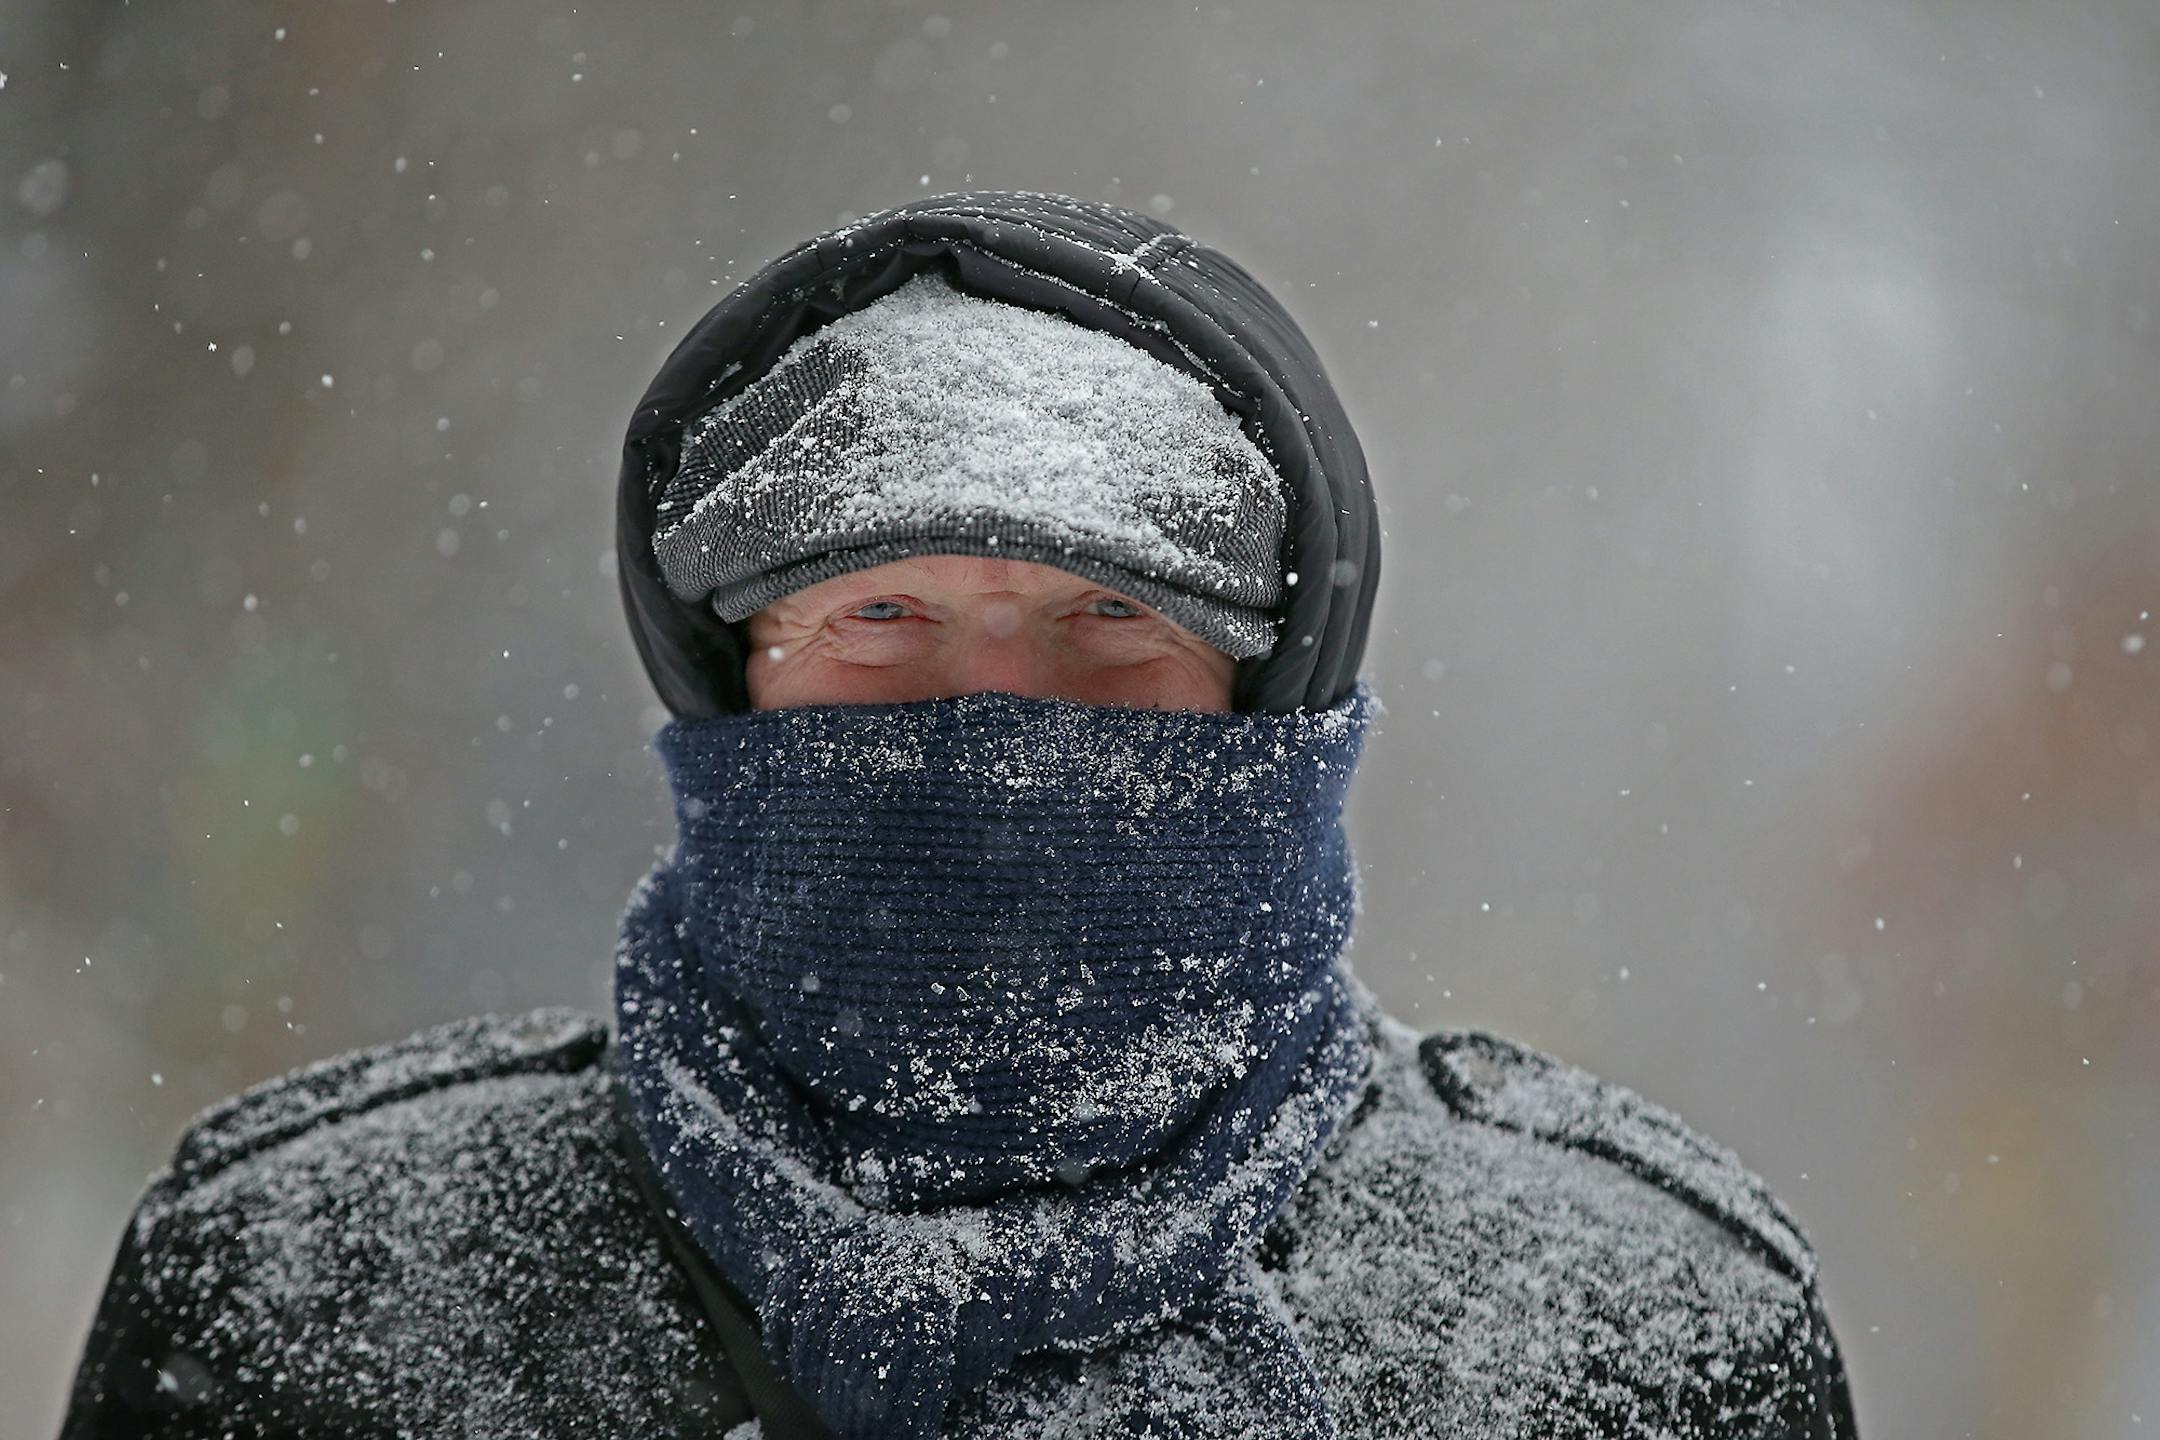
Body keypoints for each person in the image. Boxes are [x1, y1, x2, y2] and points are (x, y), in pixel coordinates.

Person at [59, 190, 1859, 1439]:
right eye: (881, 620)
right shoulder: (323, 1285)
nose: (991, 730)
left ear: (1273, 694)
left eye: (1111, 624)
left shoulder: (1625, 1325)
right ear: (732, 671)